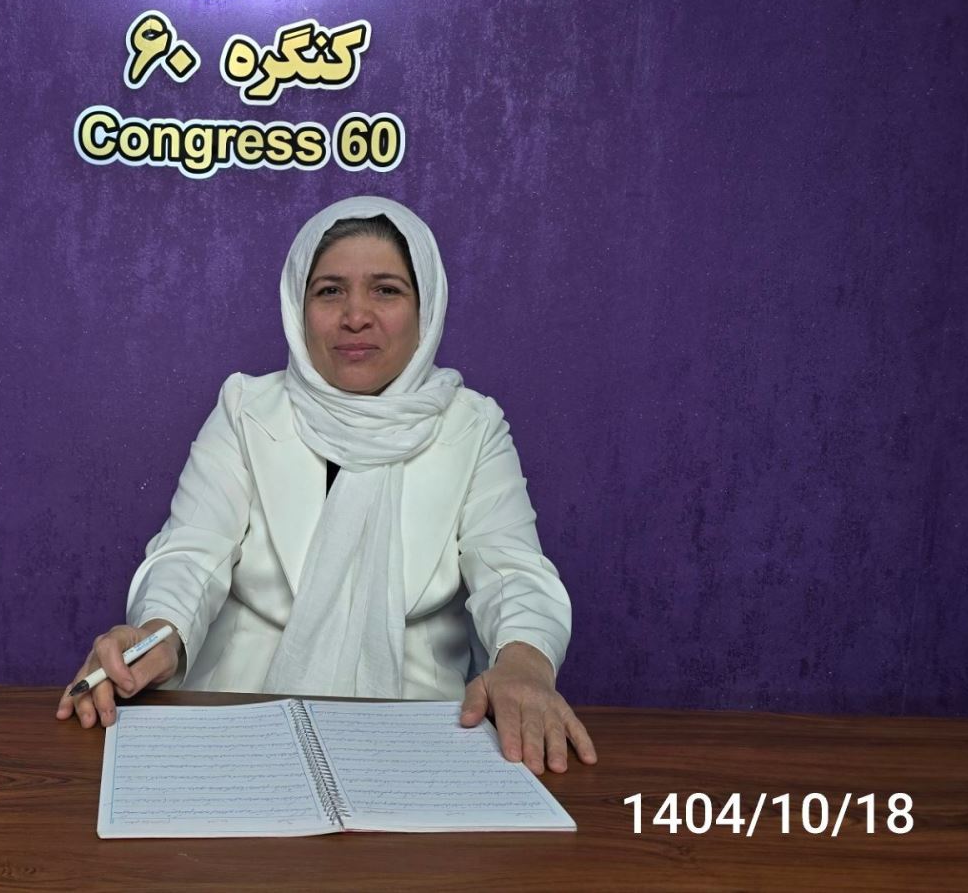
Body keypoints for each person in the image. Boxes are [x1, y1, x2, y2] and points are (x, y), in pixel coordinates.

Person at [55, 196, 597, 775]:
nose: (355, 316)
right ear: (298, 306)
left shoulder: (472, 425)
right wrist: (158, 634)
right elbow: (192, 552)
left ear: (426, 308)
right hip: (238, 717)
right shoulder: (246, 409)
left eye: (386, 290)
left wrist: (524, 663)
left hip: (417, 731)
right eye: (330, 291)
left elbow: (512, 570)